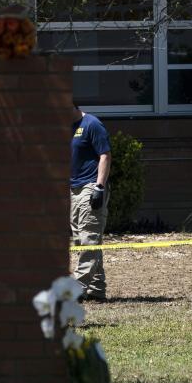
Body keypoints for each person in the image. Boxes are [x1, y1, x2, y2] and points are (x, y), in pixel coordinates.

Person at [70, 104, 112, 301]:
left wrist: (99, 187)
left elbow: (105, 155)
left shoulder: (92, 124)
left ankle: (77, 288)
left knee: (89, 239)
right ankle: (96, 288)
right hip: (72, 189)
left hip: (90, 187)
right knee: (82, 240)